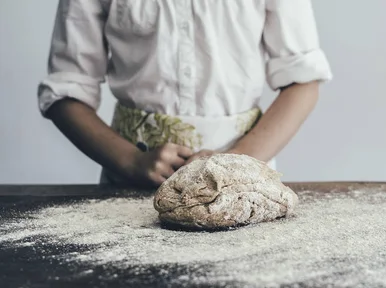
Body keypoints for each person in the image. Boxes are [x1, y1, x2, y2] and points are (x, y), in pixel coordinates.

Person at [38, 0, 332, 187]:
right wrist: (130, 161)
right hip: (131, 182)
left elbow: (302, 82)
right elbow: (66, 90)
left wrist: (236, 161)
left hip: (245, 179)